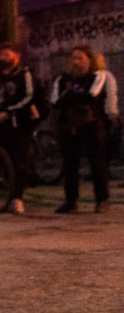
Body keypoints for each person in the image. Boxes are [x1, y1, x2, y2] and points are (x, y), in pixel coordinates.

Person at [51, 45, 111, 214]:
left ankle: (102, 200)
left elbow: (92, 96)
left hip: (91, 123)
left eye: (80, 58)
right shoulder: (63, 79)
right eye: (74, 58)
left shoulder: (96, 76)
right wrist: (75, 98)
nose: (76, 62)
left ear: (88, 60)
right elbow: (55, 101)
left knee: (97, 162)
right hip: (69, 125)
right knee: (70, 163)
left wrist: (69, 97)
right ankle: (71, 200)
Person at [0, 44, 37, 214]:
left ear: (16, 56)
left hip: (17, 124)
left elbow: (28, 96)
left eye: (7, 53)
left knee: (19, 162)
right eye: (1, 53)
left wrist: (9, 111)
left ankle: (17, 198)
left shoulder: (24, 74)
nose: (3, 57)